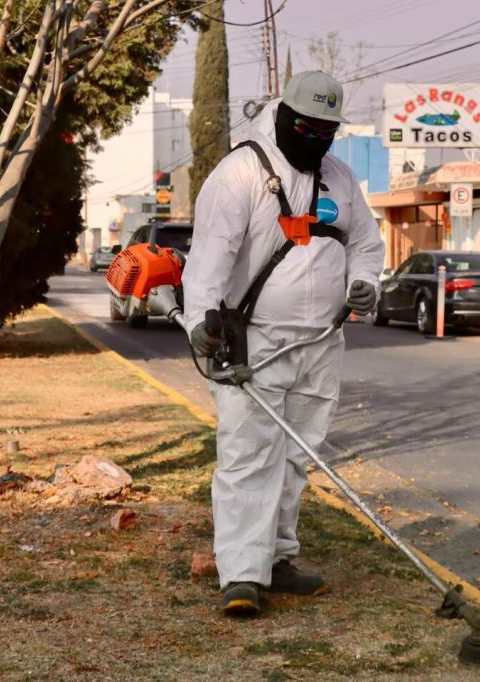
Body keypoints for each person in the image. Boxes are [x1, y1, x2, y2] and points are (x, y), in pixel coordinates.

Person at [181, 71, 385, 616]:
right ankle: (241, 575)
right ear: (282, 115)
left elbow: (366, 243)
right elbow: (207, 261)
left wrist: (364, 283)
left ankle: (276, 558)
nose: (316, 136)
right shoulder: (240, 173)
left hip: (321, 340)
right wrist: (202, 323)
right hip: (256, 340)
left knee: (297, 456)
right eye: (306, 126)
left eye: (327, 129)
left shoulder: (339, 178)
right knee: (250, 456)